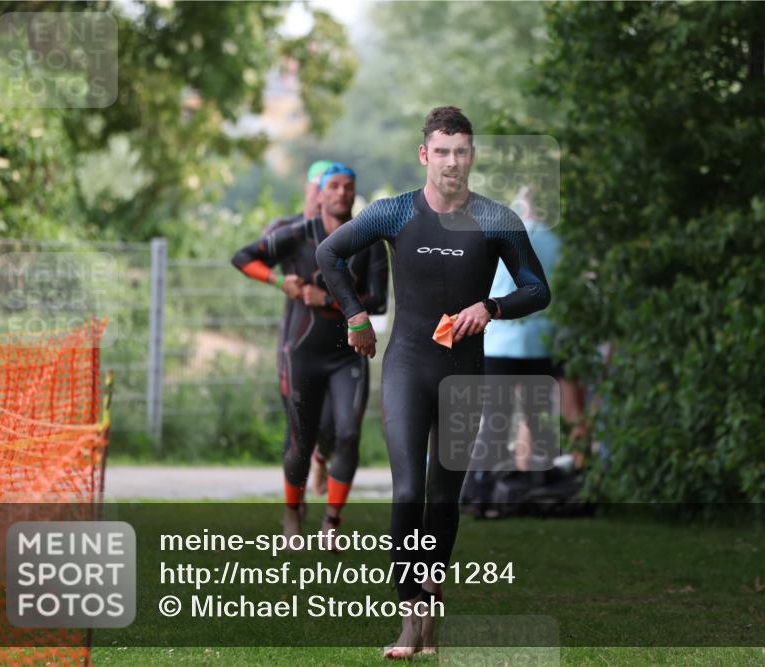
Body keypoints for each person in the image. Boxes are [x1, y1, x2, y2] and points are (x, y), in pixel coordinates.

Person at [316, 107, 550, 658]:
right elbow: (329, 254)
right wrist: (353, 315)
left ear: (472, 156)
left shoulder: (496, 220)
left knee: (445, 496)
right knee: (406, 491)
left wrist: (490, 306)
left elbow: (538, 289)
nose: (451, 161)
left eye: (461, 151)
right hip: (407, 368)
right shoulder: (395, 212)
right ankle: (409, 621)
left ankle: (428, 609)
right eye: (441, 151)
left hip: (465, 372)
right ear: (425, 155)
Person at [232, 163, 388, 542]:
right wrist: (276, 279)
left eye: (348, 187)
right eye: (333, 186)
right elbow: (242, 257)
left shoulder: (369, 240)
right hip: (302, 352)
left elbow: (379, 303)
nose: (341, 194)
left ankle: (332, 524)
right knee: (301, 439)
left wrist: (330, 300)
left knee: (347, 433)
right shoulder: (298, 234)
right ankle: (291, 515)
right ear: (318, 193)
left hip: (348, 354)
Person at [460, 186, 563, 516]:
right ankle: (539, 490)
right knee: (538, 422)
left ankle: (478, 493)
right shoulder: (558, 244)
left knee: (494, 422)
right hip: (541, 342)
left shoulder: (498, 234)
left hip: (500, 341)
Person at [264, 160, 337, 500]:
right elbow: (258, 254)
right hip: (293, 339)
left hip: (334, 340)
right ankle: (294, 504)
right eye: (319, 186)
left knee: (332, 425)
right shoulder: (289, 228)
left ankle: (322, 458)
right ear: (310, 189)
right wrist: (279, 280)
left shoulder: (341, 229)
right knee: (296, 425)